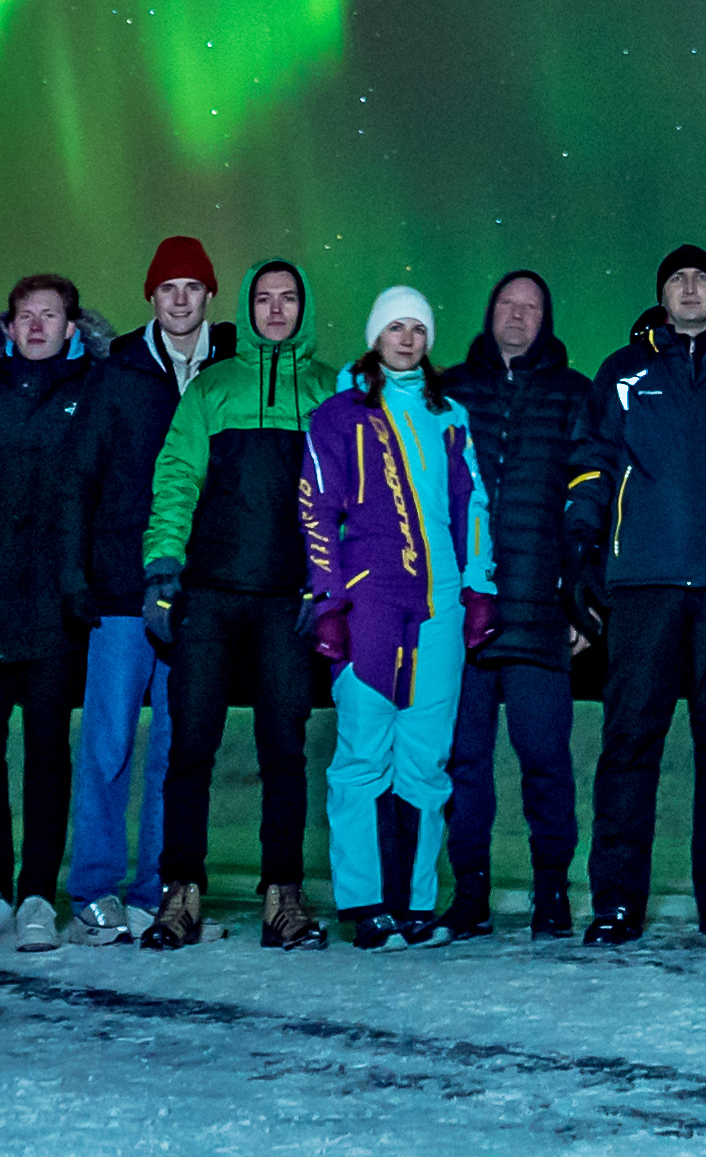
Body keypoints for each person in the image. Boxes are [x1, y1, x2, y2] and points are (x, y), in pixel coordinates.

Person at [566, 240, 706, 942]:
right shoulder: (624, 372)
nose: (689, 289)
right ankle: (617, 903)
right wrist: (582, 552)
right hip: (644, 584)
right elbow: (593, 464)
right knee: (629, 747)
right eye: (677, 279)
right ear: (662, 294)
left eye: (700, 279)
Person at [140, 254, 332, 950]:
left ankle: (284, 896)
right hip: (211, 599)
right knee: (190, 747)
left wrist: (328, 583)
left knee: (285, 749)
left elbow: (344, 499)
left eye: (287, 298)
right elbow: (177, 479)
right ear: (246, 308)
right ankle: (180, 894)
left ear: (303, 307)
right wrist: (163, 572)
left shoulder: (328, 391)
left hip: (288, 602)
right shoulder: (213, 388)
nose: (275, 310)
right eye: (263, 299)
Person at [301, 284, 500, 947]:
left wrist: (478, 591)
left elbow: (472, 507)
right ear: (375, 335)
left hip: (439, 607)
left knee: (425, 757)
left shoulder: (451, 417)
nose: (408, 338)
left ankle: (414, 902)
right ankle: (363, 903)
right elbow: (317, 513)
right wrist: (328, 602)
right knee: (363, 753)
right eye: (396, 327)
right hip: (371, 602)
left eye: (418, 327)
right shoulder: (339, 415)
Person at [67, 234, 227, 943]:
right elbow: (79, 479)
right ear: (152, 298)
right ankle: (94, 885)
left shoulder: (233, 370)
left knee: (176, 744)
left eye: (193, 287)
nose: (181, 299)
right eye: (169, 288)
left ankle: (156, 886)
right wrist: (77, 572)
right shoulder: (119, 372)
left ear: (209, 296)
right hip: (122, 589)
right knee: (107, 742)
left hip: (202, 591)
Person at [0, 273, 107, 952]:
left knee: (47, 754)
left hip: (53, 608)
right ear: (7, 329)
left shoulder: (94, 395)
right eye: (24, 315)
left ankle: (38, 893)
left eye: (51, 314)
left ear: (72, 327)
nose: (36, 325)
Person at [438, 267, 585, 937]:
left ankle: (551, 890)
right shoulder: (449, 391)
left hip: (538, 613)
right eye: (507, 304)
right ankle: (469, 889)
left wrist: (585, 601)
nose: (518, 317)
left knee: (545, 759)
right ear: (489, 311)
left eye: (531, 307)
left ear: (545, 319)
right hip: (462, 619)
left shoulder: (572, 394)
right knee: (464, 762)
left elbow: (590, 503)